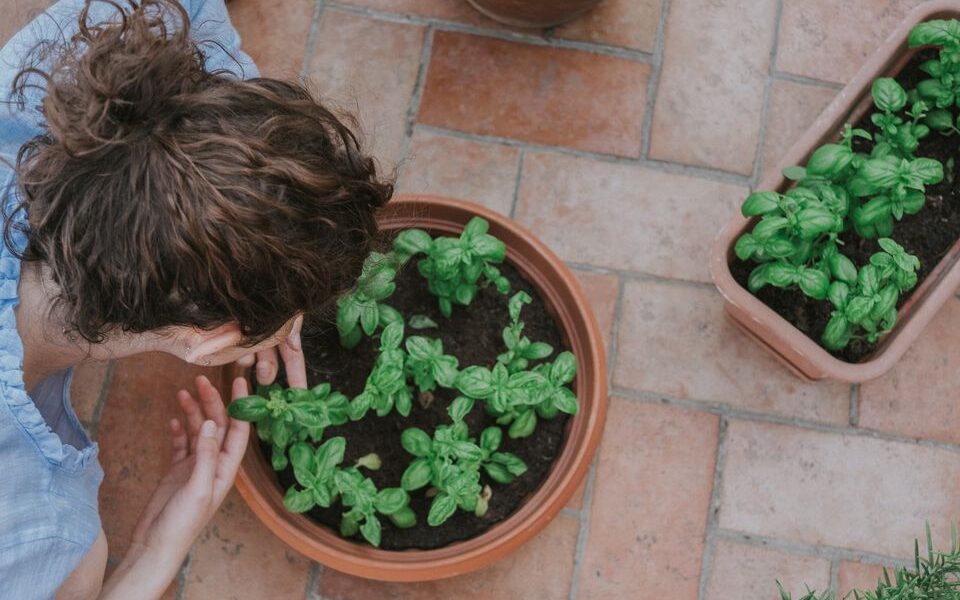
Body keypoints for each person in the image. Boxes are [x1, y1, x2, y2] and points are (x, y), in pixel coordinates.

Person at [0, 0, 393, 597]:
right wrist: (156, 556)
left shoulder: (46, 73)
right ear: (211, 344)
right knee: (82, 566)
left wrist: (245, 225)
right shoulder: (37, 531)